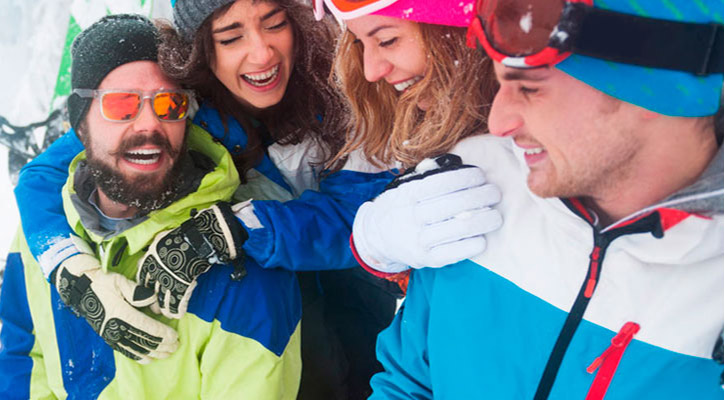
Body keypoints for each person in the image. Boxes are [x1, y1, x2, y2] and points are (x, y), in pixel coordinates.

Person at [13, 0, 503, 398]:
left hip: (351, 312)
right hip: (269, 304)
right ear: (202, 50)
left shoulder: (355, 85)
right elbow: (47, 173)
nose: (262, 53)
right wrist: (64, 262)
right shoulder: (178, 102)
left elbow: (367, 208)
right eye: (230, 38)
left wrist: (242, 225)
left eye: (275, 23)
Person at [354, 0, 724, 398]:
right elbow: (408, 381)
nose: (498, 122)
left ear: (659, 87)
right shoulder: (472, 183)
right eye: (501, 84)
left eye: (529, 89)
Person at [0, 14, 301, 399]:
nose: (150, 124)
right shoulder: (43, 234)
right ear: (80, 127)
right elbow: (22, 360)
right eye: (122, 105)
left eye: (170, 104)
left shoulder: (243, 279)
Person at [314, 0, 504, 286]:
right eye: (359, 43)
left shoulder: (545, 142)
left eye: (387, 40)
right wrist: (378, 245)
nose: (371, 70)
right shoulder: (417, 120)